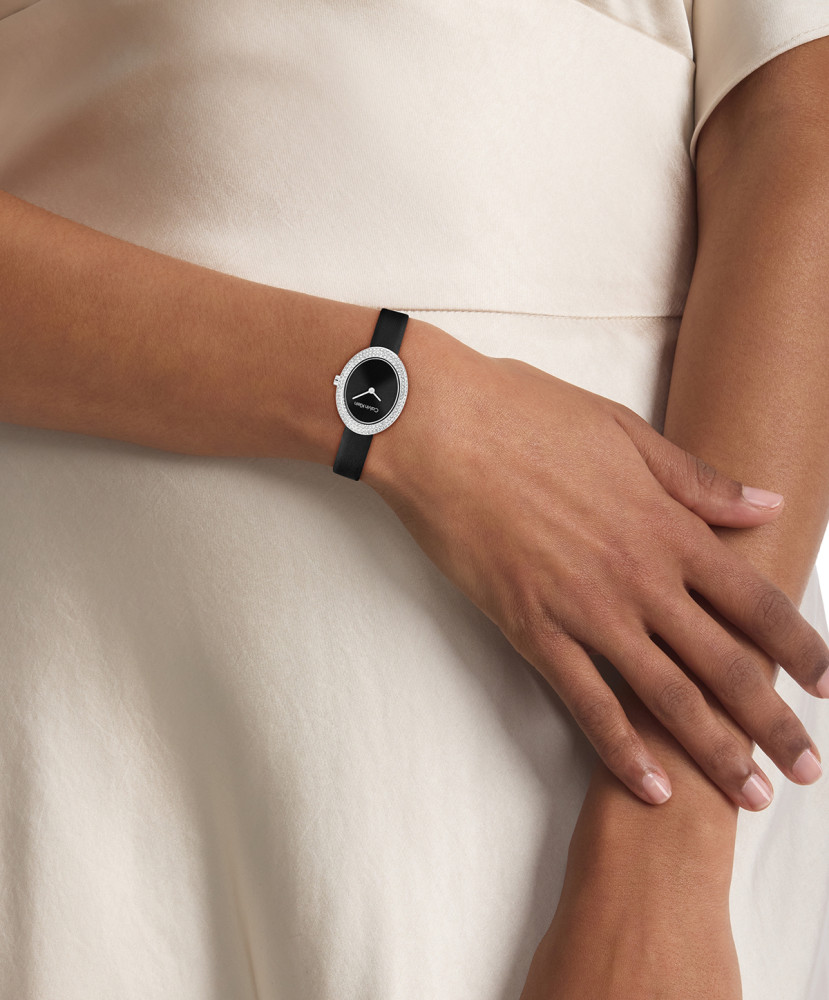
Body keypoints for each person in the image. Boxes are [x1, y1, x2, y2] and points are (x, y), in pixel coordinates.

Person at [0, 1, 827, 997]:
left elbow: (799, 127)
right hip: (78, 703)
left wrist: (667, 851)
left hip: (572, 739)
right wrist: (420, 411)